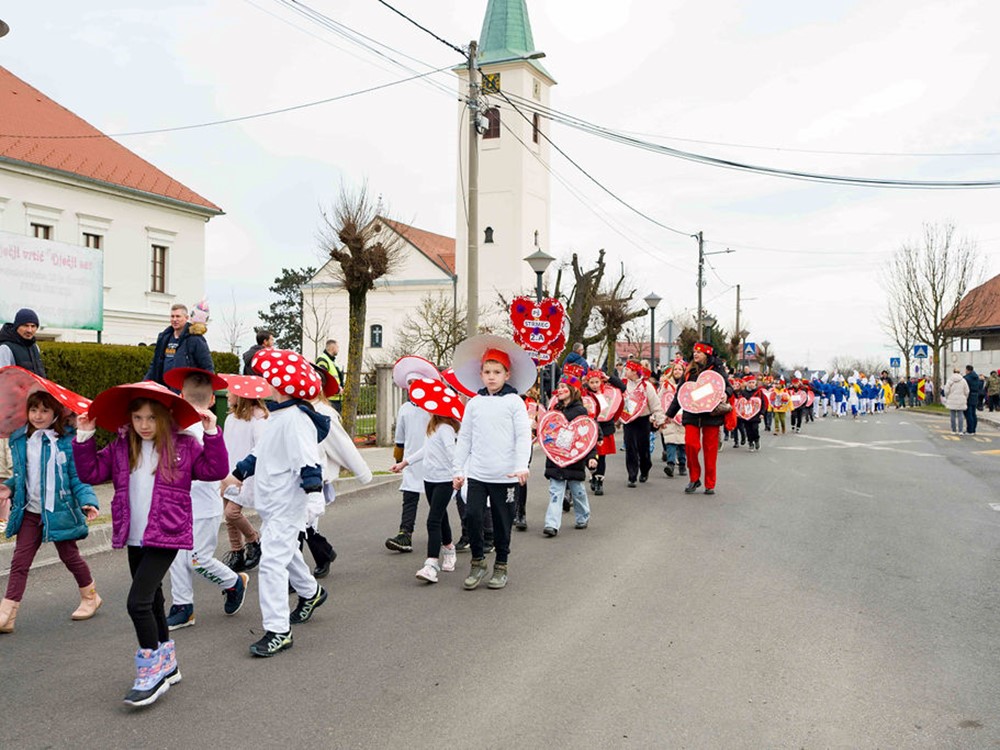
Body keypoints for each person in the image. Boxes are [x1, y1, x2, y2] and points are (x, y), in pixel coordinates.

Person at [73, 381, 229, 707]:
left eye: (151, 418)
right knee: (154, 599)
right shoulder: (121, 446)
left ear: (165, 417)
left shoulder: (183, 445)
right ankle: (168, 663)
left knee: (137, 603)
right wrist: (85, 436)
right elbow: (91, 472)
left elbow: (215, 469)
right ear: (130, 419)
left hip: (167, 533)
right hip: (135, 535)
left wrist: (212, 433)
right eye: (138, 418)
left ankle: (151, 672)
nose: (144, 425)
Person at [227, 348, 330, 658]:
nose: (265, 383)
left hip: (288, 505)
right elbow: (261, 452)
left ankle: (278, 630)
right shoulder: (278, 415)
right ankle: (311, 592)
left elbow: (308, 462)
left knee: (272, 563)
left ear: (282, 386)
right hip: (273, 504)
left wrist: (314, 499)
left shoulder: (297, 419)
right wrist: (237, 474)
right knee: (284, 553)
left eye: (268, 379)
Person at [0, 390, 101, 634]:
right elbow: (25, 475)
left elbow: (78, 478)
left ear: (56, 413)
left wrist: (88, 502)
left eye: (45, 410)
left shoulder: (65, 442)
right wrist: (9, 487)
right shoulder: (22, 440)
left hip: (59, 511)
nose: (38, 415)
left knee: (70, 556)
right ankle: (7, 613)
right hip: (30, 511)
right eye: (34, 410)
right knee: (20, 561)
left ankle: (90, 596)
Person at [163, 369, 249, 631]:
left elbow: (218, 467)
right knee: (176, 557)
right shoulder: (176, 426)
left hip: (202, 506)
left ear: (180, 395)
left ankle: (233, 582)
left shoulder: (206, 429)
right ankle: (183, 607)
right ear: (213, 399)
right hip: (179, 505)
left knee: (196, 558)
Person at [451, 335, 534, 591]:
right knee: (473, 516)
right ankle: (478, 562)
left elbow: (523, 436)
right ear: (481, 374)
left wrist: (521, 465)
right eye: (487, 372)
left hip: (505, 475)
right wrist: (458, 469)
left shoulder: (514, 402)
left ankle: (501, 565)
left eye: (497, 372)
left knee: (502, 523)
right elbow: (465, 438)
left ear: (507, 375)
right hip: (478, 473)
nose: (491, 377)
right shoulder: (474, 403)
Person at [390, 379, 463, 584]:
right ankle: (449, 548)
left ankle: (431, 565)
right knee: (441, 517)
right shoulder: (432, 426)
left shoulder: (446, 428)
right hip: (429, 479)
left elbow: (452, 453)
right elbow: (425, 450)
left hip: (444, 481)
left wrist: (458, 474)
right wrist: (404, 462)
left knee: (432, 520)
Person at [385, 356, 438, 552]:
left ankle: (448, 532)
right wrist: (399, 459)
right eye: (410, 383)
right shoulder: (405, 409)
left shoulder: (433, 408)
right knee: (409, 498)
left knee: (437, 500)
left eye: (417, 382)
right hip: (410, 461)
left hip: (433, 460)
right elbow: (400, 437)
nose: (413, 386)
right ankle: (405, 534)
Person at [665, 342, 733, 495]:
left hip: (711, 414)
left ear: (707, 354)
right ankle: (694, 478)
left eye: (699, 352)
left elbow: (729, 387)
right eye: (694, 351)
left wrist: (726, 394)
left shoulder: (717, 369)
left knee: (710, 450)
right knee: (690, 445)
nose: (695, 354)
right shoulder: (689, 371)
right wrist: (669, 415)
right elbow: (680, 395)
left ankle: (710, 483)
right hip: (691, 414)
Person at [218, 376, 268, 573]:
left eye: (230, 391)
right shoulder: (231, 418)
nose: (227, 395)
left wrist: (243, 471)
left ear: (241, 395)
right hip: (228, 472)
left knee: (232, 512)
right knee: (228, 516)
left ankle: (253, 540)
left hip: (246, 474)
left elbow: (261, 448)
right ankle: (236, 552)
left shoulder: (259, 419)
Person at [541, 374, 598, 537]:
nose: (559, 390)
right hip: (556, 458)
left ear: (573, 390)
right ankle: (551, 524)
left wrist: (591, 456)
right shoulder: (555, 411)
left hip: (574, 458)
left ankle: (583, 516)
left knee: (577, 490)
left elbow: (587, 436)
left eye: (563, 387)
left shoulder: (581, 411)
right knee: (555, 492)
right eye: (558, 387)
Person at [144, 304, 214, 386]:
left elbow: (207, 367)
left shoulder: (195, 339)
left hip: (185, 388)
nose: (174, 319)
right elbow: (155, 364)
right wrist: (145, 383)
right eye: (172, 316)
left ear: (186, 318)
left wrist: (205, 388)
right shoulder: (164, 338)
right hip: (164, 388)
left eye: (178, 316)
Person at [620, 360, 665, 488]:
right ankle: (632, 475)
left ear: (635, 371)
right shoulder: (623, 384)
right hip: (629, 420)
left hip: (643, 419)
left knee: (643, 447)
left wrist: (660, 420)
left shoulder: (646, 386)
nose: (625, 371)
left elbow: (655, 404)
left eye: (627, 369)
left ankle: (645, 468)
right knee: (630, 447)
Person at [585, 367, 626, 494]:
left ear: (601, 381)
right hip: (589, 429)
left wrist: (609, 378)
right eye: (592, 382)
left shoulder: (609, 392)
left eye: (597, 382)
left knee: (601, 456)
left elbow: (623, 388)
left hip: (605, 428)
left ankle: (599, 481)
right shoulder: (585, 394)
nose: (595, 385)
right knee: (589, 456)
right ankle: (593, 474)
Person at [658, 359, 688, 477]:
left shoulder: (687, 385)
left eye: (680, 369)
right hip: (669, 417)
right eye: (675, 369)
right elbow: (659, 400)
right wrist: (658, 416)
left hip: (683, 418)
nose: (677, 371)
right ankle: (670, 464)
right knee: (670, 441)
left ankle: (682, 464)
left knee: (682, 443)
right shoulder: (666, 386)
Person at [0, 308, 46, 374]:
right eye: (25, 326)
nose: (29, 330)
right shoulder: (5, 348)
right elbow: (2, 377)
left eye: (33, 326)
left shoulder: (35, 347)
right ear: (17, 326)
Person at [314, 339, 344, 413]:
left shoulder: (332, 361)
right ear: (332, 348)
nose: (338, 349)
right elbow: (322, 378)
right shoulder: (323, 359)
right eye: (337, 347)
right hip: (329, 399)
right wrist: (337, 390)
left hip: (335, 399)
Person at [944, 369, 969, 434]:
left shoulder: (950, 380)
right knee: (960, 415)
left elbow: (946, 391)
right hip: (961, 399)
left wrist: (947, 397)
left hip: (951, 399)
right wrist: (965, 397)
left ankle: (953, 430)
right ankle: (960, 430)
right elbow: (967, 391)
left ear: (953, 372)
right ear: (959, 372)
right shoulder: (963, 381)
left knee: (952, 415)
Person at [964, 365, 981, 435]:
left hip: (969, 396)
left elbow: (965, 388)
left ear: (967, 370)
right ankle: (973, 429)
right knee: (973, 414)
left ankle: (969, 430)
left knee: (968, 414)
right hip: (975, 396)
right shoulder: (976, 377)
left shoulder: (966, 378)